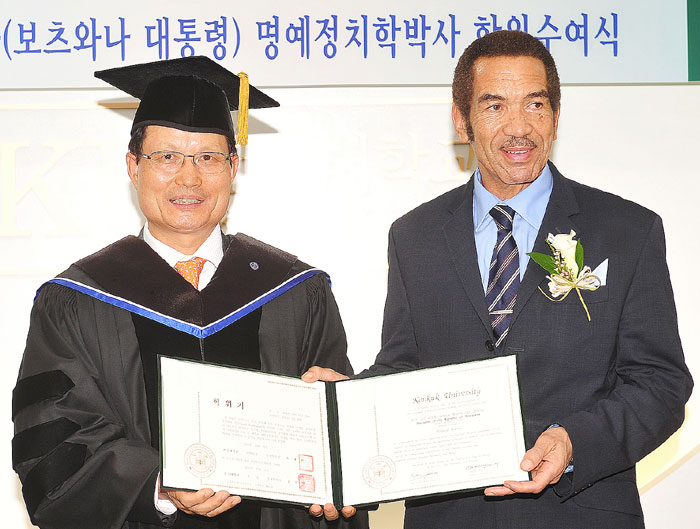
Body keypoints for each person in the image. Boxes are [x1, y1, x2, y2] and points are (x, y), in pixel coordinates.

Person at [304, 30, 692, 528]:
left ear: (556, 116)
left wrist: (574, 441)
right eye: (494, 107)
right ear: (460, 120)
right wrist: (349, 404)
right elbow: (404, 368)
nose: (519, 129)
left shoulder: (628, 231)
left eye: (535, 105)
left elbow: (660, 383)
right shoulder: (415, 235)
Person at [12, 56, 368, 529]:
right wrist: (158, 485)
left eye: (207, 157)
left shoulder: (297, 291)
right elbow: (53, 451)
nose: (188, 178)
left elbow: (335, 438)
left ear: (234, 167)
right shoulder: (76, 300)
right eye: (166, 157)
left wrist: (344, 452)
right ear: (133, 166)